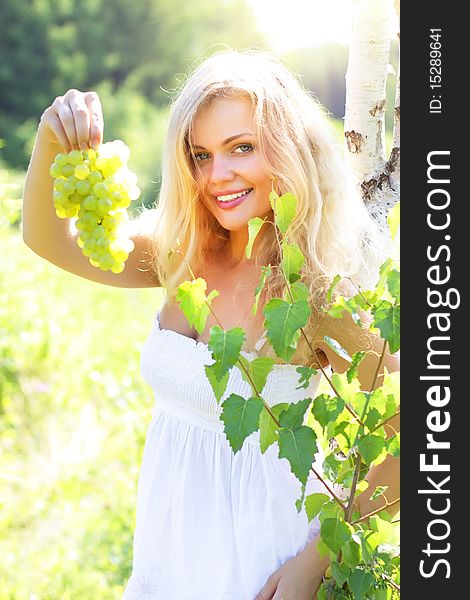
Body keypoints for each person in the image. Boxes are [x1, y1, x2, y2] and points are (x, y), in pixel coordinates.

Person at [22, 50, 400, 600]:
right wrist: (49, 141)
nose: (216, 175)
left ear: (288, 149)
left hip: (259, 568)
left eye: (241, 148)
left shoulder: (312, 296)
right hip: (166, 564)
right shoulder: (183, 256)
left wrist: (319, 557)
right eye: (199, 155)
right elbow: (48, 240)